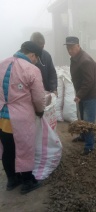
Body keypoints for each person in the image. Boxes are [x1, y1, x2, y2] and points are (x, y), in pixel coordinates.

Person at [0, 41, 46, 194]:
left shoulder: (2, 63)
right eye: (36, 58)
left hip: (2, 116)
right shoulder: (31, 69)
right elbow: (39, 97)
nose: (35, 61)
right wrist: (40, 111)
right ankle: (27, 182)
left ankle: (12, 180)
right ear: (32, 54)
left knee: (8, 149)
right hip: (20, 118)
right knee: (25, 148)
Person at [64, 36, 96, 155]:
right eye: (68, 47)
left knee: (88, 121)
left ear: (78, 46)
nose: (70, 50)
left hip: (90, 95)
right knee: (82, 119)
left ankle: (89, 145)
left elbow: (89, 81)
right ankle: (83, 136)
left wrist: (79, 95)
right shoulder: (75, 58)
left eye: (72, 47)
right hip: (83, 93)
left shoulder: (85, 60)